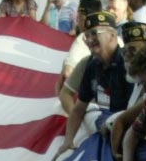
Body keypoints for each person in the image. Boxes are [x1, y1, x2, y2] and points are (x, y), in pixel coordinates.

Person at [55, 17, 131, 152]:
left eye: (95, 34)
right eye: (86, 36)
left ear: (112, 35)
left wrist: (116, 124)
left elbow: (139, 107)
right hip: (105, 125)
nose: (89, 40)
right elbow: (79, 109)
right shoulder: (91, 65)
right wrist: (68, 140)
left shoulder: (127, 63)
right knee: (89, 110)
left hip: (128, 128)